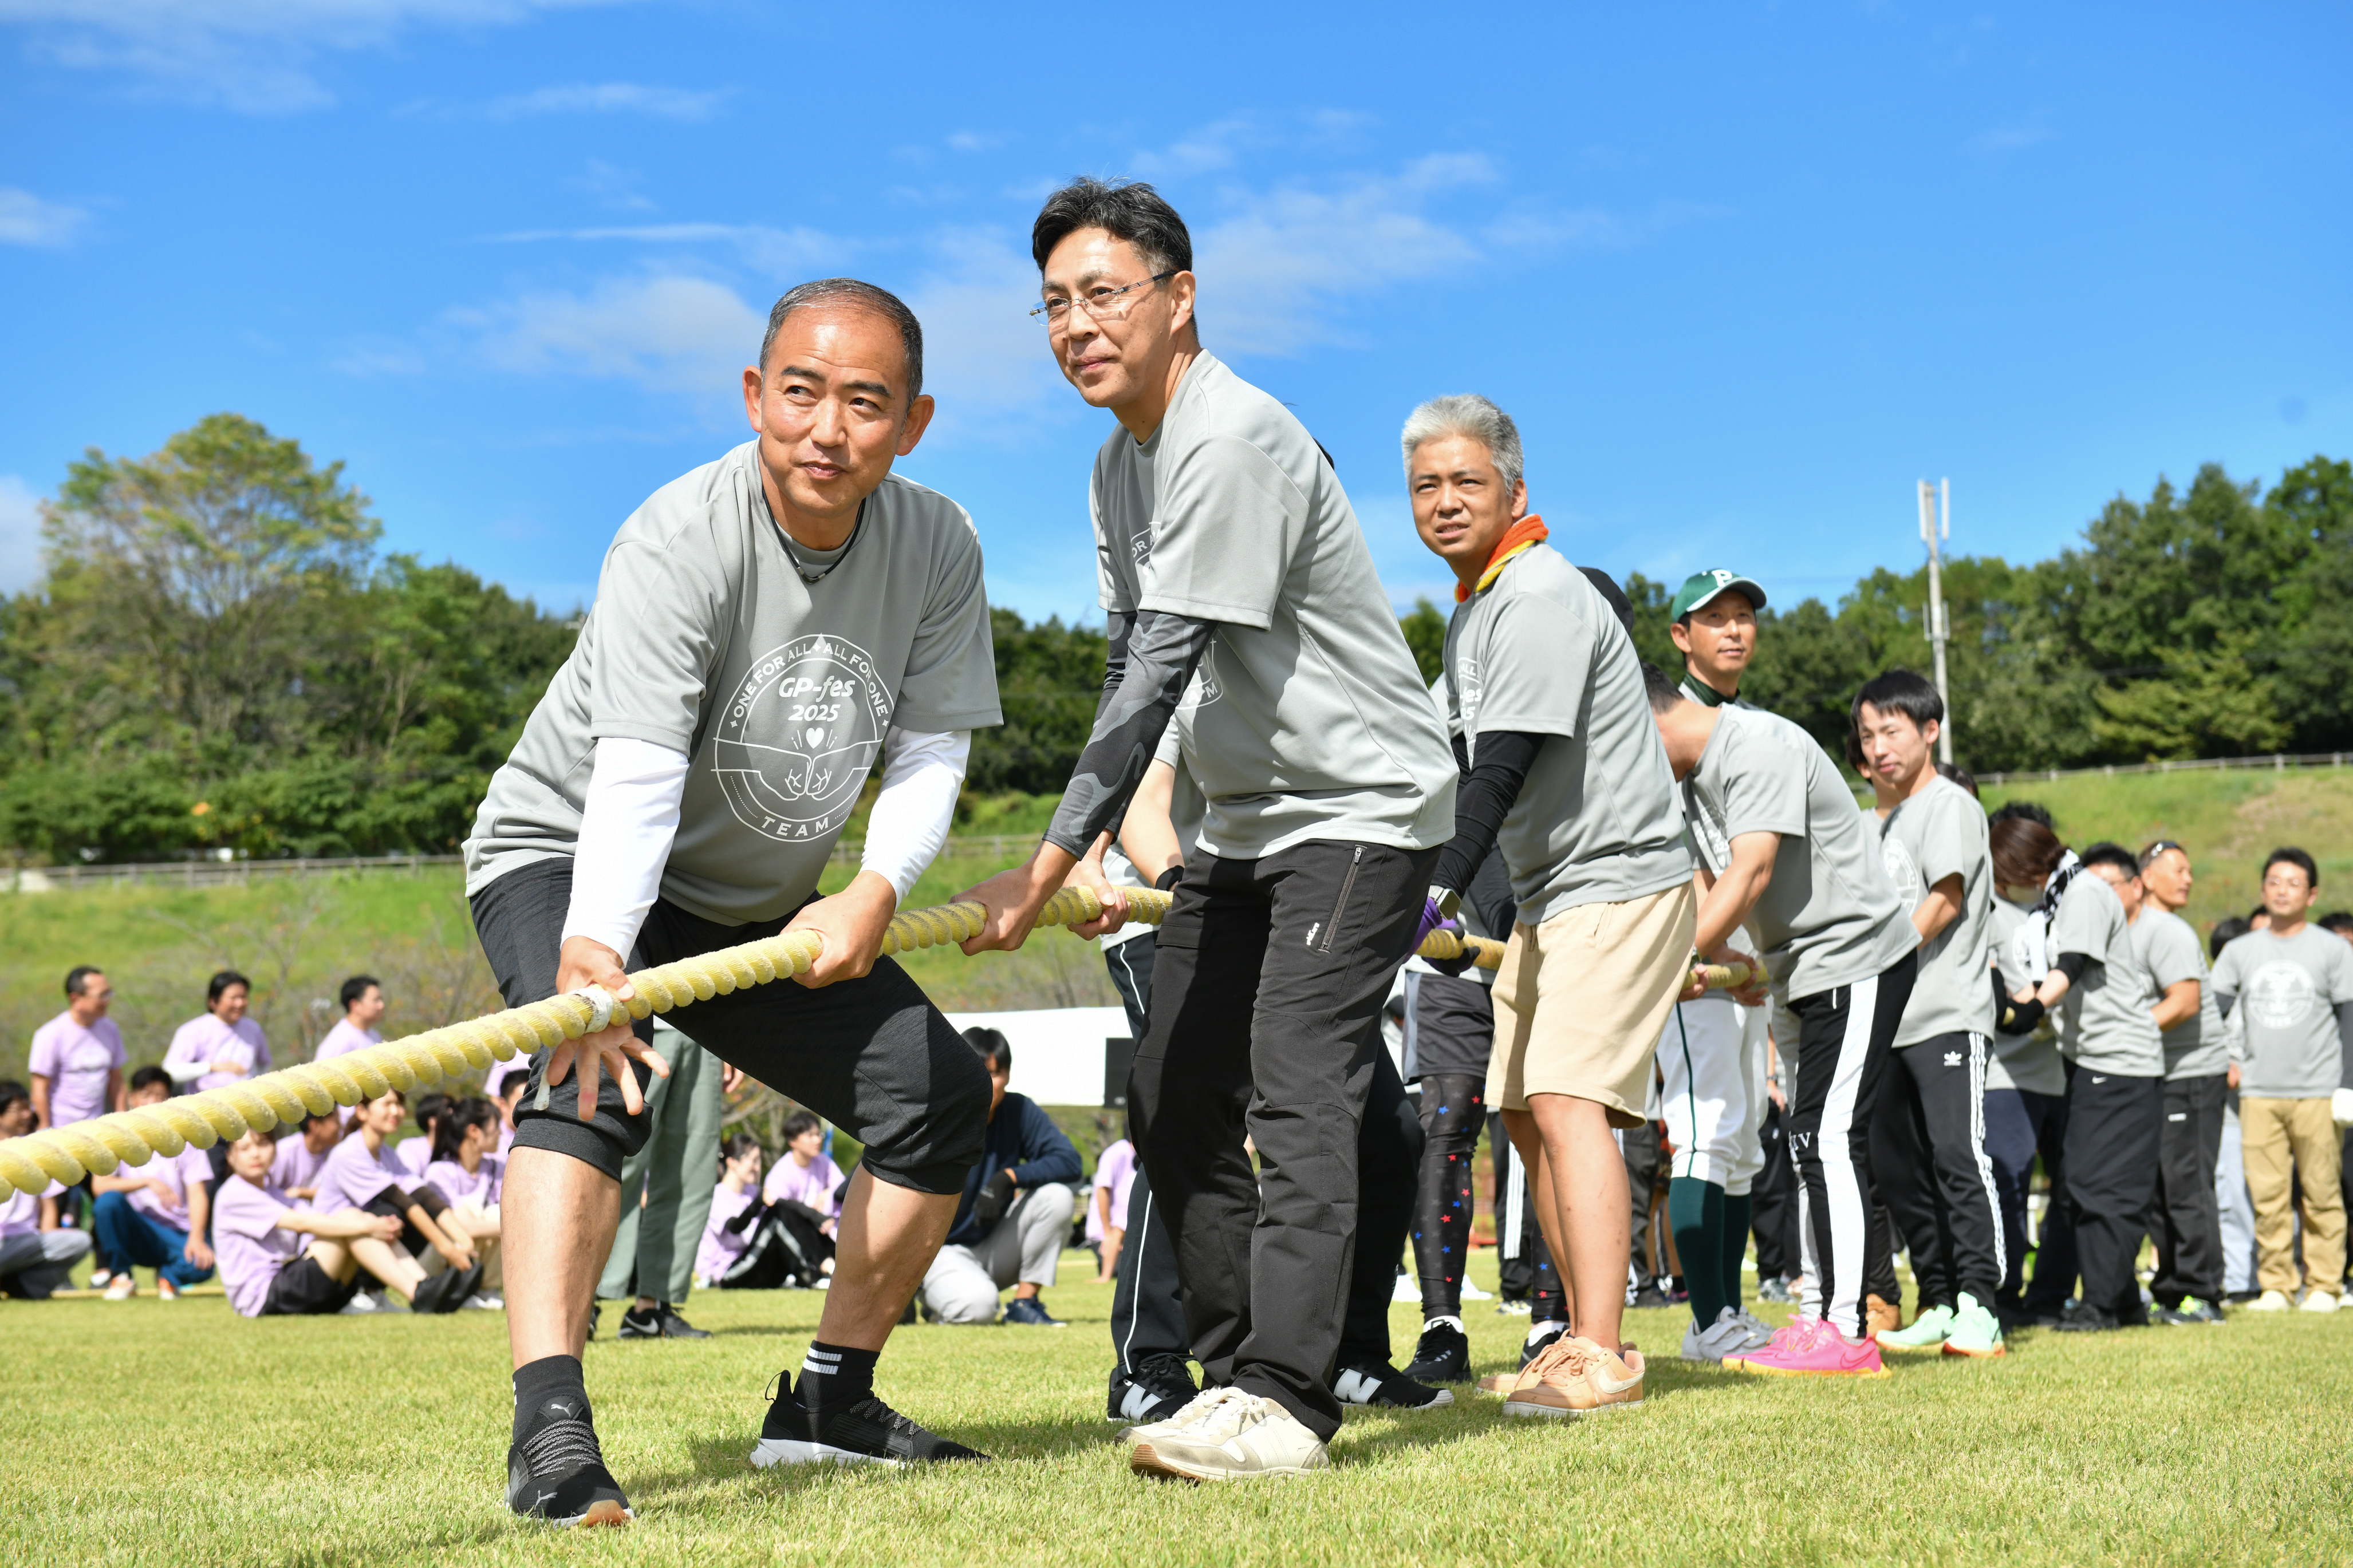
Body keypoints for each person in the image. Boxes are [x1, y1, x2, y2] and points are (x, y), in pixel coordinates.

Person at [460, 275, 1000, 1524]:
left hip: (750, 899)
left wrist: (873, 887)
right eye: (800, 392)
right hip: (570, 852)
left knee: (935, 1095)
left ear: (911, 423)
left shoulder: (937, 541)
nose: (828, 428)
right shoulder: (678, 534)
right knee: (590, 1080)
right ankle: (551, 1430)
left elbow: (931, 745)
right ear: (755, 394)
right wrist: (594, 957)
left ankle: (828, 1403)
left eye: (864, 402)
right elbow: (637, 771)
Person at [956, 179, 1455, 1482]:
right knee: (1172, 1090)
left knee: (1298, 1078)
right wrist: (1114, 837)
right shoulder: (1116, 465)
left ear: (1179, 298)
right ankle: (1238, 1375)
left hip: (1362, 804)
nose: (1076, 325)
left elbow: (1159, 666)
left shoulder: (1232, 437)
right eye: (1053, 304)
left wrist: (1046, 865)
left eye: (1102, 294)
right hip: (1244, 816)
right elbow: (1130, 656)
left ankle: (1289, 1396)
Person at [1398, 397, 1693, 1417]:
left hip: (1618, 877)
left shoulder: (1535, 592)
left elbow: (1497, 769)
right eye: (1424, 485)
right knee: (1523, 1113)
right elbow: (1430, 761)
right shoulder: (1473, 609)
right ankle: (1574, 1335)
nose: (1443, 501)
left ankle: (1602, 1349)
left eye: (1465, 481)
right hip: (1549, 894)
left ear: (1514, 490)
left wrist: (1433, 887)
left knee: (1566, 1102)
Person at [1102, 726, 1449, 1420]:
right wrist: (1184, 888)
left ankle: (1347, 1353)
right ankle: (1149, 1361)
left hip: (1291, 917)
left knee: (1388, 1132)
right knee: (1183, 1116)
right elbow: (1141, 802)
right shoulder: (1185, 667)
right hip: (1174, 914)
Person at [1645, 663, 1918, 1377]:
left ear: (1647, 721)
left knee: (1828, 1138)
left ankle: (1847, 1330)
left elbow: (1751, 871)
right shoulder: (1688, 783)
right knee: (1804, 1145)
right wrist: (1721, 955)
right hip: (1793, 968)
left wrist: (1675, 960)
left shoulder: (1756, 744)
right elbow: (1708, 879)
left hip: (1853, 954)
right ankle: (1815, 1317)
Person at [1850, 671, 2006, 1358]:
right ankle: (1939, 1301)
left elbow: (1942, 901)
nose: (1878, 748)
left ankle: (1981, 1305)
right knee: (1900, 1172)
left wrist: (1878, 960)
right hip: (1889, 1022)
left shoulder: (1949, 805)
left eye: (1891, 731)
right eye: (1866, 736)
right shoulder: (1880, 820)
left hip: (1947, 1012)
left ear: (1929, 730)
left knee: (1956, 1156)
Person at [1664, 570, 1784, 1345]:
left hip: (1745, 960)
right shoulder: (1665, 722)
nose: (1734, 629)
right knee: (1702, 1127)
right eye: (1715, 618)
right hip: (1693, 955)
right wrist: (1712, 943)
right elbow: (1671, 852)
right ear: (1681, 635)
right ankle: (1706, 1317)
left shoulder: (1754, 726)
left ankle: (1727, 1313)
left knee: (1739, 1138)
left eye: (1743, 616)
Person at [2002, 842, 2169, 1332]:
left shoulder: (2083, 892)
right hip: (2092, 1060)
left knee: (2102, 1186)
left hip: (2118, 1063)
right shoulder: (2058, 900)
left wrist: (2028, 1010)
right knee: (2081, 1182)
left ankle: (2102, 1304)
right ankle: (2120, 1300)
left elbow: (2070, 965)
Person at [2208, 847, 2352, 1313]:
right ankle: (2275, 1284)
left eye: (2293, 883)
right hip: (2257, 1091)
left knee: (2321, 1191)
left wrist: (2347, 1084)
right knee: (2267, 1195)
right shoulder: (2239, 951)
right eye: (2273, 881)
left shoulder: (2332, 949)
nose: (2282, 890)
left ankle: (2325, 1285)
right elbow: (2213, 1012)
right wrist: (2223, 1061)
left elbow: (2349, 1019)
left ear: (2311, 894)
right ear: (2262, 889)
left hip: (2318, 1090)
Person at [917, 1029, 1081, 1326]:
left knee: (1057, 1197)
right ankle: (935, 1297)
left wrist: (1008, 1177)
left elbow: (1069, 1161)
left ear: (1007, 1075)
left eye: (994, 1074)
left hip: (993, 1246)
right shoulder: (933, 1116)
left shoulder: (1018, 1111)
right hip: (939, 1252)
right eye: (976, 1072)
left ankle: (1024, 1303)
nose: (986, 1083)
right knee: (978, 1309)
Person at [1984, 812, 2078, 1325]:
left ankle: (2052, 1292)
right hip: (2004, 1072)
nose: (2039, 876)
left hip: (2060, 1066)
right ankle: (2005, 1294)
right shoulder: (1985, 910)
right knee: (2009, 1183)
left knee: (2072, 1184)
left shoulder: (2058, 906)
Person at [2134, 840, 2230, 1324]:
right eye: (2178, 869)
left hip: (2192, 1072)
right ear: (2146, 876)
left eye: (2190, 870)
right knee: (2160, 1184)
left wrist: (2122, 1034)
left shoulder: (2167, 929)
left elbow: (2185, 1002)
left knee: (2186, 1182)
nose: (2188, 878)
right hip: (2159, 1071)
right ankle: (2171, 1288)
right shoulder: (2137, 927)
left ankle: (2202, 1291)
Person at [595, 1022, 734, 1341]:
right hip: (643, 1019)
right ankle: (584, 1298)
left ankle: (652, 1308)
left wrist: (730, 1041)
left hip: (708, 1028)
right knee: (618, 1158)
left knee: (689, 1174)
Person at [315, 1087, 485, 1314]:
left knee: (408, 1214)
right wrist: (446, 1249)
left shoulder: (387, 1154)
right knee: (390, 1213)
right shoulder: (349, 1152)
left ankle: (419, 1290)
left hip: (358, 1247)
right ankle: (393, 1290)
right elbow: (402, 1200)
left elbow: (423, 1195)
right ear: (362, 1112)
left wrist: (464, 1242)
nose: (396, 1111)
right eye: (387, 1104)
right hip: (326, 1253)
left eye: (399, 1104)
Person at [212, 1127, 413, 1317]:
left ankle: (420, 1287)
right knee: (352, 1221)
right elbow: (302, 1223)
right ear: (231, 1156)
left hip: (287, 1281)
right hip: (263, 1297)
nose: (256, 1154)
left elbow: (320, 1217)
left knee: (352, 1217)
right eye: (245, 1148)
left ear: (275, 1148)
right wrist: (370, 1226)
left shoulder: (274, 1194)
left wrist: (372, 1222)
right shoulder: (234, 1192)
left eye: (263, 1144)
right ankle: (416, 1289)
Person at [89, 1067, 216, 1300]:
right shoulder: (116, 1137)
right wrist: (147, 1182)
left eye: (160, 1096)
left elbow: (198, 1193)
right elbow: (100, 1186)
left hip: (176, 1231)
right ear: (132, 1099)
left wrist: (197, 1236)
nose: (153, 1102)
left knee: (202, 1265)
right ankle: (121, 1277)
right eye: (146, 1095)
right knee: (108, 1202)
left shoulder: (186, 1139)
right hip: (137, 1228)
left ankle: (168, 1276)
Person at [0, 1080, 91, 1298]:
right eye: (19, 1109)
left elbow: (48, 1206)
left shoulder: (37, 1151)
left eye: (28, 1108)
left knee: (78, 1241)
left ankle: (22, 1287)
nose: (27, 1115)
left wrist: (48, 1241)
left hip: (26, 1242)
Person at [28, 966, 126, 1141]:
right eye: (102, 995)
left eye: (109, 993)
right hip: (61, 1133)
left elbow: (117, 1080)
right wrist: (45, 1131)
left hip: (98, 1131)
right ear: (75, 998)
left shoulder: (110, 1030)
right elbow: (39, 1088)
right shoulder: (51, 1034)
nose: (107, 1000)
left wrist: (122, 1120)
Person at [427, 1096, 507, 1306]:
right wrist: (513, 1228)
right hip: (437, 1259)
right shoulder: (439, 1171)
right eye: (495, 1127)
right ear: (474, 1132)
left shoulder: (496, 1169)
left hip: (476, 1252)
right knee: (473, 1210)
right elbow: (463, 1226)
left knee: (496, 1213)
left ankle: (486, 1289)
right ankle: (460, 1287)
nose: (500, 1133)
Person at [163, 970, 271, 1091]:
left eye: (243, 997)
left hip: (246, 1099)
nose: (240, 1003)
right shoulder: (193, 1030)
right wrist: (212, 1067)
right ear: (214, 1001)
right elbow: (170, 1071)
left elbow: (264, 1065)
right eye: (234, 998)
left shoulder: (254, 1029)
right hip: (205, 1101)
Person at [696, 1133, 766, 1288]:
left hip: (750, 1261)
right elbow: (735, 1227)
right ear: (732, 1162)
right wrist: (758, 1203)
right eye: (754, 1161)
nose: (757, 1168)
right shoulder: (716, 1197)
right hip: (724, 1271)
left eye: (759, 1161)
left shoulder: (752, 1192)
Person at [762, 1109, 844, 1232]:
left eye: (818, 1134)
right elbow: (780, 1210)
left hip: (824, 1227)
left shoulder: (822, 1161)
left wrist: (826, 1193)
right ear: (792, 1141)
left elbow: (843, 1186)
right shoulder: (781, 1173)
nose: (818, 1140)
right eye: (810, 1136)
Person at [271, 1111, 345, 1207]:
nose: (340, 1127)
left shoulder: (334, 1151)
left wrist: (301, 1192)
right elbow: (266, 1189)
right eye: (336, 1121)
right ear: (315, 1126)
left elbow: (335, 1190)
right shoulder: (283, 1152)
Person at [1089, 1134, 1136, 1283]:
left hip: (1121, 1232)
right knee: (1123, 1271)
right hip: (1106, 1232)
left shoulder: (1132, 1160)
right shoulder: (1118, 1152)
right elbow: (1102, 1190)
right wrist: (1107, 1234)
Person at [316, 975, 386, 1061]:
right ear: (355, 1005)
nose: (382, 1005)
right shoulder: (341, 1040)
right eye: (376, 1000)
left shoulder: (375, 1036)